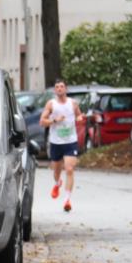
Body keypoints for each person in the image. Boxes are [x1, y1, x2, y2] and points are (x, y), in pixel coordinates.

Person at [40, 78, 84, 212]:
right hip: (56, 141)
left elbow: (79, 115)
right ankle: (57, 183)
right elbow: (42, 121)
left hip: (70, 141)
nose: (59, 89)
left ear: (66, 89)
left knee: (69, 169)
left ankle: (67, 200)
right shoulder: (51, 104)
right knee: (56, 170)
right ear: (55, 90)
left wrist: (79, 119)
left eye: (62, 86)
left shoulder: (73, 103)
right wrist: (54, 120)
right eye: (57, 87)